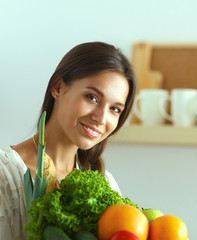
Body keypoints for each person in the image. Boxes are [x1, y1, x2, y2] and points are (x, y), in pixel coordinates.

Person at [0, 42, 137, 239]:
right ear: (58, 87)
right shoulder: (5, 176)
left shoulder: (106, 184)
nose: (101, 118)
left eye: (114, 109)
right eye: (92, 97)